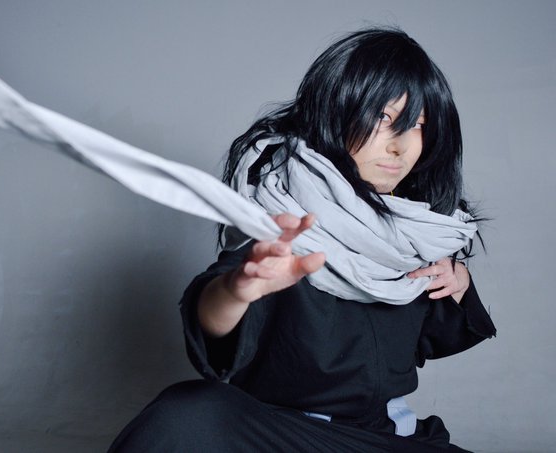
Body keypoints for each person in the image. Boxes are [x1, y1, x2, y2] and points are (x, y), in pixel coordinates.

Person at [108, 27, 496, 452]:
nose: (400, 147)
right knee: (185, 415)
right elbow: (213, 325)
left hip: (384, 441)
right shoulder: (283, 214)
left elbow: (426, 341)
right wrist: (237, 289)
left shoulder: (417, 231)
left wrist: (458, 285)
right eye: (384, 119)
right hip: (286, 439)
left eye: (418, 126)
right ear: (337, 110)